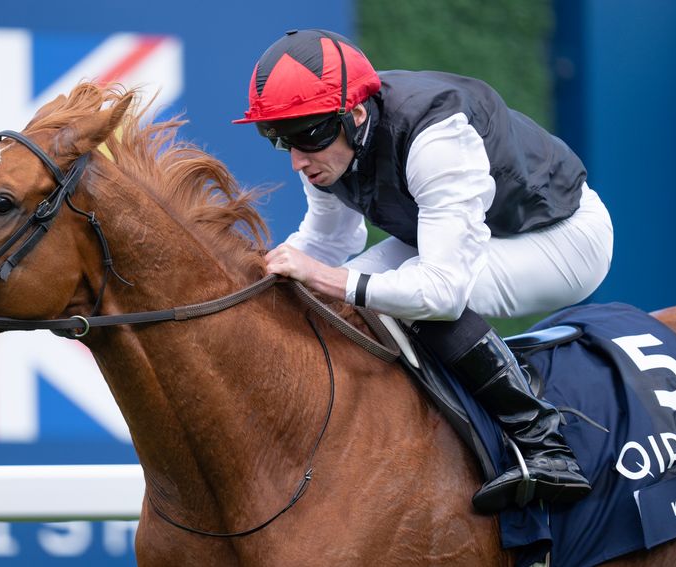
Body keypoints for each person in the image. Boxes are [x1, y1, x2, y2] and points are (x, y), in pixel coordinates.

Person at [234, 29, 613, 514]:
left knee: (403, 300)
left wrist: (329, 278)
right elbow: (329, 240)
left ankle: (545, 445)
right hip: (482, 232)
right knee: (343, 300)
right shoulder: (331, 141)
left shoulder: (435, 136)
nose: (297, 160)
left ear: (354, 115)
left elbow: (442, 293)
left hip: (564, 239)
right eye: (280, 140)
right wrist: (257, 276)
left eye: (307, 135)